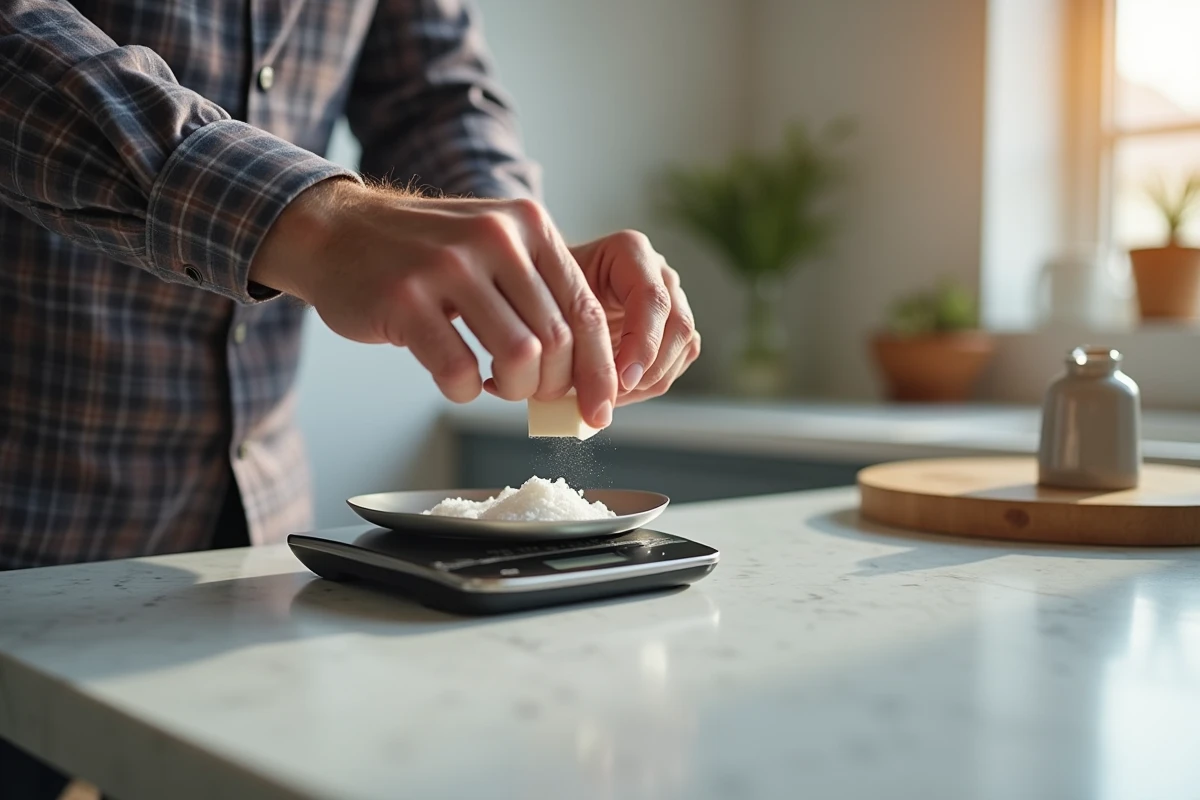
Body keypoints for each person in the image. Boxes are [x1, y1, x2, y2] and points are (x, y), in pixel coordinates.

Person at [0, 0, 700, 796]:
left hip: (255, 548)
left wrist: (520, 259)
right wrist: (316, 222)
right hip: (24, 515)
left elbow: (433, 94)